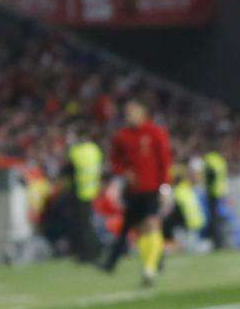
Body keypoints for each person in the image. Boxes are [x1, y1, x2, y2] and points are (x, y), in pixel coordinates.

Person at [103, 100, 173, 285]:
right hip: (133, 191)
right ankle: (155, 261)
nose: (129, 116)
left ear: (143, 113)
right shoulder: (122, 136)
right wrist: (123, 173)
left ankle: (149, 270)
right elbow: (115, 161)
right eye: (127, 113)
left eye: (133, 112)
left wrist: (165, 188)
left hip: (152, 189)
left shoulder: (155, 132)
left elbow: (164, 161)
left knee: (151, 224)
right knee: (139, 230)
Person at [62, 131, 106, 264]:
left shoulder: (76, 152)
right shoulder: (95, 150)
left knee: (83, 225)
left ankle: (88, 253)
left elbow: (67, 170)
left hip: (79, 192)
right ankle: (95, 250)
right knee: (88, 223)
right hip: (92, 190)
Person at [201, 146, 231, 248]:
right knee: (219, 219)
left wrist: (208, 187)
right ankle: (220, 242)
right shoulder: (220, 161)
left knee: (214, 220)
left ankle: (216, 243)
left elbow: (211, 175)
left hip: (213, 193)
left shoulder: (210, 159)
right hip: (220, 193)